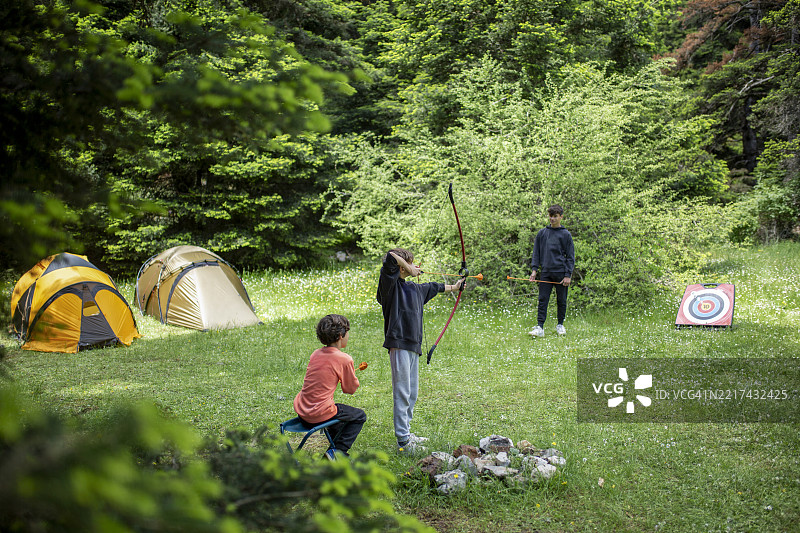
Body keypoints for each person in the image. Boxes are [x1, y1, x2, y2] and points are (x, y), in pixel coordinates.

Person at [376, 248, 464, 454]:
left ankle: (406, 433)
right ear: (401, 267)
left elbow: (435, 287)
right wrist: (409, 268)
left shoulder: (415, 290)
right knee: (402, 392)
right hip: (399, 343)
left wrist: (456, 286)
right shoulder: (389, 287)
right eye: (410, 263)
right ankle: (403, 442)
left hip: (413, 346)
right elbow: (390, 256)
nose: (415, 266)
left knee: (412, 393)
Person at [293, 314, 366, 459]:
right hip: (319, 414)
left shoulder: (316, 354)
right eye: (347, 332)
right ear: (340, 336)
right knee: (359, 416)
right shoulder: (344, 359)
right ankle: (337, 453)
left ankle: (333, 449)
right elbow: (349, 389)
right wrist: (353, 379)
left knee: (339, 420)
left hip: (302, 412)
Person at [529, 204, 575, 337]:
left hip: (561, 273)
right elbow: (536, 253)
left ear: (561, 217)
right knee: (543, 299)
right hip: (546, 273)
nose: (552, 219)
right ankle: (540, 327)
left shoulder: (566, 235)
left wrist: (568, 275)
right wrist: (534, 270)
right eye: (550, 216)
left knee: (561, 300)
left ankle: (560, 325)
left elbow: (570, 257)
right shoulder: (542, 233)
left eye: (555, 216)